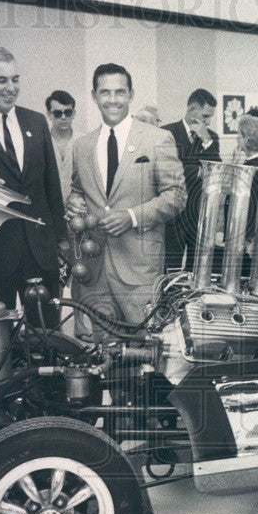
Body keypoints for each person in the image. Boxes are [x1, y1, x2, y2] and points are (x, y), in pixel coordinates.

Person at [66, 63, 185, 330]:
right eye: (105, 92)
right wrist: (74, 203)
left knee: (144, 347)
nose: (113, 100)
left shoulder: (157, 139)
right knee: (97, 351)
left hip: (139, 272)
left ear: (131, 95)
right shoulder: (82, 145)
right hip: (93, 270)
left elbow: (176, 195)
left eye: (120, 92)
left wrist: (132, 217)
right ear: (95, 96)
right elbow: (78, 190)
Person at [0, 47, 68, 310]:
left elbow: (51, 185)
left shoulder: (35, 122)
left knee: (48, 336)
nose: (11, 88)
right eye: (2, 80)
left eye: (15, 79)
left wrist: (62, 242)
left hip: (41, 251)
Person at [162, 89, 222, 270]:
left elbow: (216, 172)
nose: (208, 121)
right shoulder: (166, 132)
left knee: (195, 266)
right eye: (205, 115)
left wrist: (206, 141)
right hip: (172, 213)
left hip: (198, 212)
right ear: (191, 109)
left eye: (210, 117)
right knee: (170, 264)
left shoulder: (212, 138)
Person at [213, 114, 258, 276]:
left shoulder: (254, 167)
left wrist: (244, 240)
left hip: (244, 242)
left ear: (247, 140)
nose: (236, 139)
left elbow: (252, 207)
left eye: (239, 135)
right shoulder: (255, 163)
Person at [46, 89, 76, 203]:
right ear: (49, 115)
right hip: (50, 211)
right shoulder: (40, 143)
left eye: (68, 112)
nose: (63, 117)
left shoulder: (84, 142)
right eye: (58, 113)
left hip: (79, 211)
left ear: (73, 114)